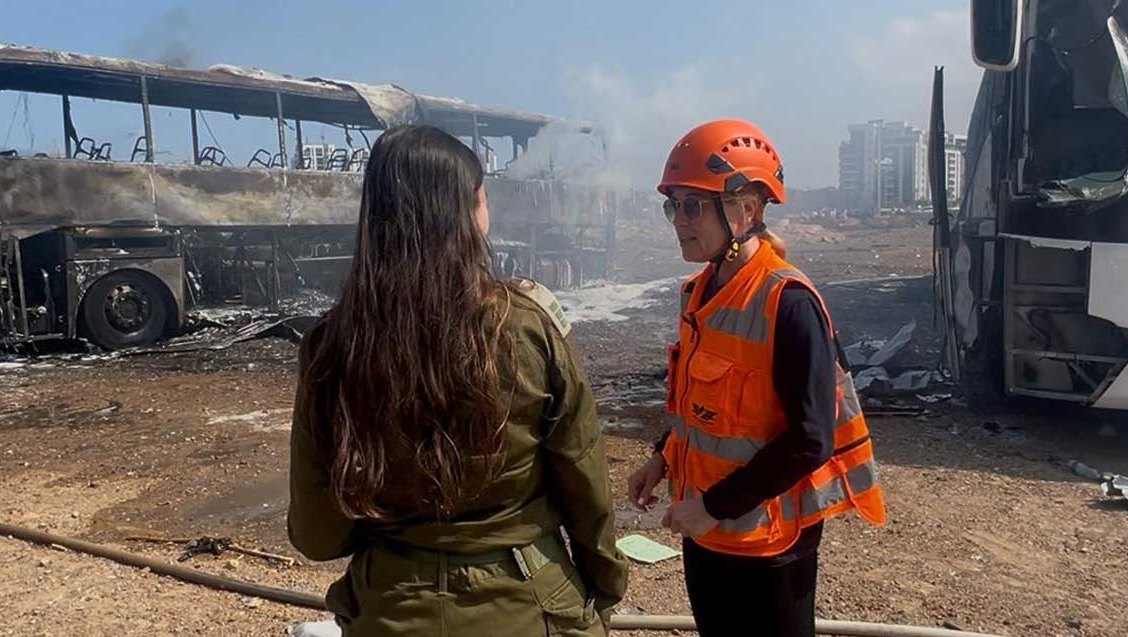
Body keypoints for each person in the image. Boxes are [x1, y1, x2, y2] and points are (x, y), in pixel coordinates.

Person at [288, 125, 627, 636]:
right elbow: (585, 485)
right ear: (467, 214)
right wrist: (601, 588)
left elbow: (317, 535)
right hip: (529, 605)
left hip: (388, 610)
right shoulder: (530, 329)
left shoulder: (333, 347)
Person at [627, 119, 887, 637]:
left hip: (769, 548)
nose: (679, 220)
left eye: (693, 205)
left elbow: (811, 439)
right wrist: (661, 455)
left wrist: (711, 507)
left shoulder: (787, 303)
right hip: (706, 535)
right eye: (673, 205)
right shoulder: (697, 294)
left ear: (746, 209)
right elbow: (693, 402)